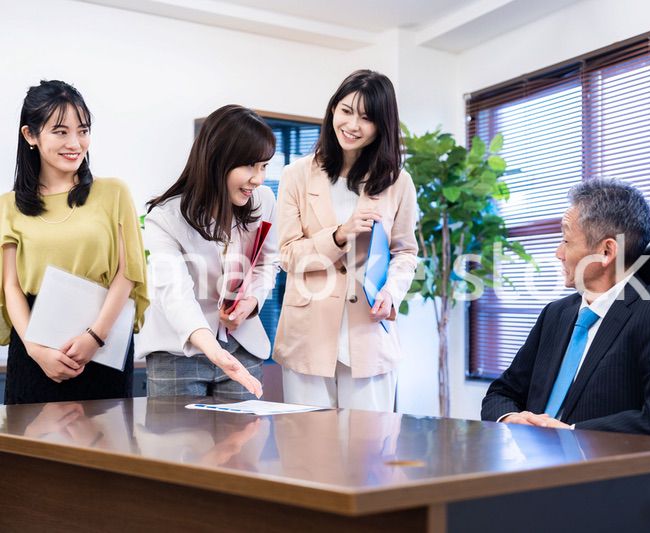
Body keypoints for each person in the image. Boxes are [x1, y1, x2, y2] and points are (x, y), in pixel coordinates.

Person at [481, 178, 650, 438]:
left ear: (606, 251)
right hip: (532, 455)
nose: (558, 253)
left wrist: (573, 433)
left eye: (566, 241)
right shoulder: (556, 314)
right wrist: (511, 418)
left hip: (595, 460)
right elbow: (501, 392)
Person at [273, 69, 418, 411]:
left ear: (382, 125)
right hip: (308, 335)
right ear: (332, 110)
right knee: (308, 442)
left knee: (370, 442)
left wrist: (391, 292)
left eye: (366, 118)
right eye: (346, 111)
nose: (353, 125)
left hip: (369, 333)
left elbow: (405, 252)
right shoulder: (295, 175)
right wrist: (339, 235)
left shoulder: (398, 182)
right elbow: (288, 255)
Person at [0, 80, 148, 404]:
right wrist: (37, 351)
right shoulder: (8, 206)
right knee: (30, 437)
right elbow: (10, 286)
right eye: (60, 131)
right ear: (30, 135)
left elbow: (128, 272)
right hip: (35, 347)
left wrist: (94, 337)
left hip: (102, 343)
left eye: (83, 131)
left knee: (107, 435)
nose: (75, 143)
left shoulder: (114, 192)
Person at [135, 104, 279, 399]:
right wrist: (213, 350)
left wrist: (252, 301)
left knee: (245, 431)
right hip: (178, 350)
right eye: (249, 166)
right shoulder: (165, 218)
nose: (258, 178)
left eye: (264, 166)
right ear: (217, 160)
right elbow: (175, 294)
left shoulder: (263, 200)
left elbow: (268, 262)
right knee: (177, 432)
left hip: (242, 346)